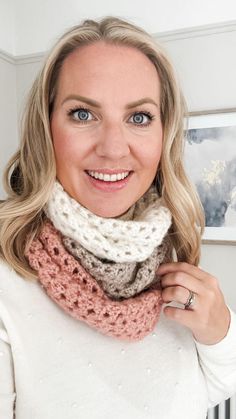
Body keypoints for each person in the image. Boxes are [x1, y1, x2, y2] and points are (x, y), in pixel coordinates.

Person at [0, 16, 236, 419]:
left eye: (139, 118)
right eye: (83, 114)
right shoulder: (9, 277)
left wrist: (220, 334)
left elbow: (200, 392)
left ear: (163, 135)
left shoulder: (170, 249)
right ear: (46, 127)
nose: (113, 148)